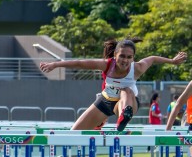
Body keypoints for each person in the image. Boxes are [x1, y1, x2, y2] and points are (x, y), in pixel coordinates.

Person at [40, 39, 187, 131]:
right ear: (115, 56)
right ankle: (113, 118)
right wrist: (55, 64)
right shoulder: (106, 65)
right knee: (74, 133)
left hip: (128, 103)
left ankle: (124, 115)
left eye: (129, 57)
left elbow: (153, 58)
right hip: (105, 101)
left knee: (126, 90)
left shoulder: (138, 68)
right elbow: (80, 63)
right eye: (122, 56)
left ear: (133, 58)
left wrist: (172, 61)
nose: (125, 60)